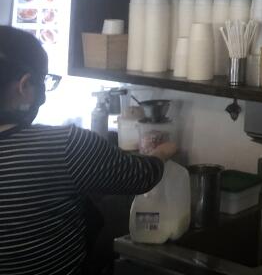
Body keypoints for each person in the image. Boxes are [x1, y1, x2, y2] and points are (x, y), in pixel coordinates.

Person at [0, 26, 174, 275]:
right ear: (24, 85)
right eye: (44, 82)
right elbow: (140, 176)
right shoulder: (64, 146)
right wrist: (164, 151)